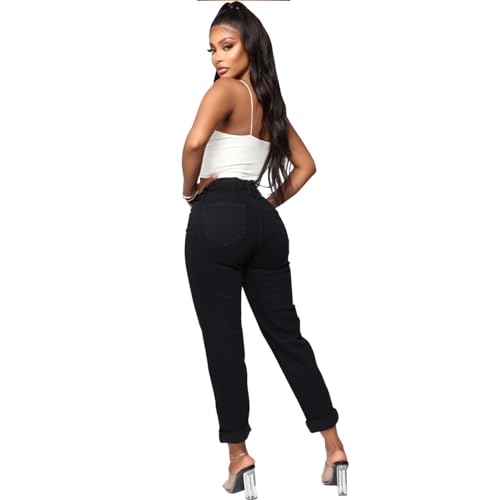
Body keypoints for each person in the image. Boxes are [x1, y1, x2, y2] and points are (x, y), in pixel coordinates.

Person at [182, 1, 349, 496]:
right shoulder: (271, 105)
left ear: (250, 45)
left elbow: (193, 144)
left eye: (226, 46)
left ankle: (240, 457)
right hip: (262, 222)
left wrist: (190, 192)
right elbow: (306, 165)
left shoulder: (224, 92)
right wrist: (267, 203)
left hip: (217, 218)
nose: (217, 57)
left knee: (224, 343)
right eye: (212, 50)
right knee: (287, 337)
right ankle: (333, 446)